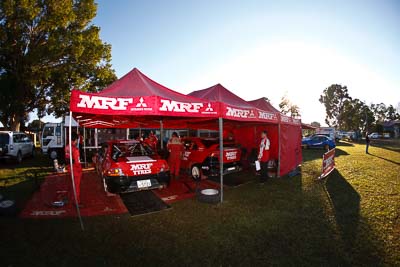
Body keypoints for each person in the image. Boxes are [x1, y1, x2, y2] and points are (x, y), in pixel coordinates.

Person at [65, 132, 83, 206]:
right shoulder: (75, 149)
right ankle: (76, 202)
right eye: (77, 140)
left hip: (69, 168)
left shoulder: (66, 147)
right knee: (76, 187)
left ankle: (73, 199)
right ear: (75, 139)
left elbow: (66, 158)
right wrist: (80, 170)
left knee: (72, 186)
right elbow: (77, 162)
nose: (77, 141)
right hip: (75, 170)